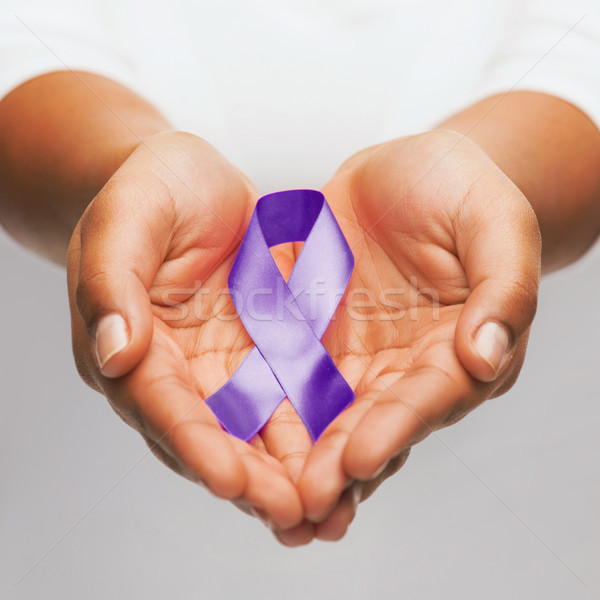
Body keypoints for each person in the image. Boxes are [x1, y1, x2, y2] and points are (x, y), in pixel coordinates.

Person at [0, 0, 599, 547]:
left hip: (514, 508)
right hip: (80, 519)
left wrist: (487, 185)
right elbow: (26, 39)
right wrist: (123, 177)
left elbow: (579, 50)